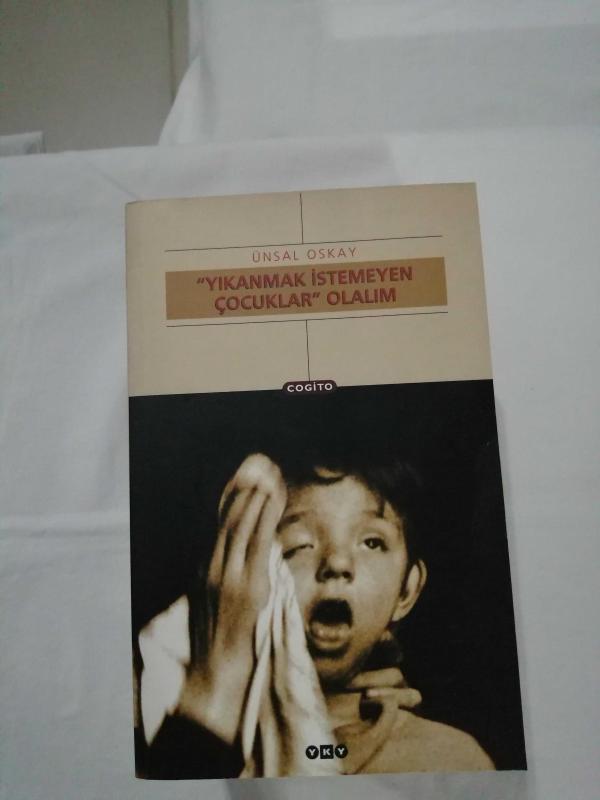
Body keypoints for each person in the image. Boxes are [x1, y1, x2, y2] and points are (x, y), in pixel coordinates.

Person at [134, 451, 494, 778]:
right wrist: (216, 687)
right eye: (299, 545)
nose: (337, 562)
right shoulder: (147, 710)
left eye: (372, 542)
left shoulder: (446, 761)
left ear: (406, 590)